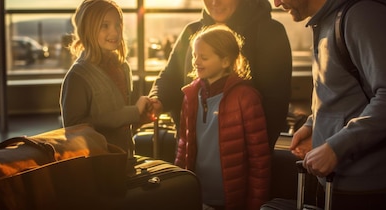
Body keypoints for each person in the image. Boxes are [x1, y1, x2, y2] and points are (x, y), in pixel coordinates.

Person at [273, 0, 386, 209]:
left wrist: (337, 147)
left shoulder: (364, 16)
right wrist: (313, 125)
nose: (276, 2)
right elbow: (340, 92)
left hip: (372, 187)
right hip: (338, 180)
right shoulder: (325, 22)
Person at [149, 0, 293, 150]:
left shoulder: (270, 33)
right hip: (193, 153)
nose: (215, 2)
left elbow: (275, 103)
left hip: (242, 157)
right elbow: (171, 78)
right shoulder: (192, 31)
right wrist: (156, 100)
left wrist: (253, 154)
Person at [174, 25, 271, 210]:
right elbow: (183, 146)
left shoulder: (246, 98)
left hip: (232, 200)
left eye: (204, 57)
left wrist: (256, 204)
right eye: (195, 56)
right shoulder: (190, 96)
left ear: (226, 61)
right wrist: (179, 188)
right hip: (196, 196)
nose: (196, 62)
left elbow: (260, 160)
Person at [60, 0, 152, 151]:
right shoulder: (77, 76)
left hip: (125, 158)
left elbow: (123, 122)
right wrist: (133, 112)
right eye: (105, 25)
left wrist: (140, 116)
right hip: (97, 165)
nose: (115, 32)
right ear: (88, 30)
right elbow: (74, 129)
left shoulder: (122, 67)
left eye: (118, 25)